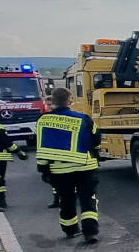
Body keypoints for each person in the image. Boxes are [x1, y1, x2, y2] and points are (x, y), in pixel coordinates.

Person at [35, 87, 102, 243]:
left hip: (59, 169)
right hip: (85, 166)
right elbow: (96, 139)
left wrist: (43, 169)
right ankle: (90, 231)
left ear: (53, 101)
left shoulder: (43, 121)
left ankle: (70, 229)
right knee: (88, 198)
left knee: (66, 199)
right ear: (70, 100)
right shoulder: (84, 118)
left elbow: (41, 146)